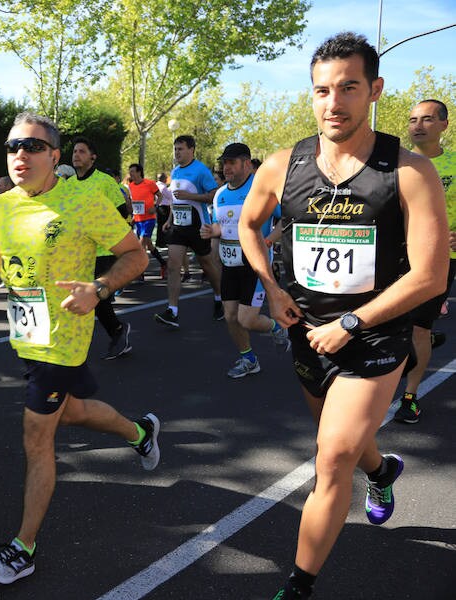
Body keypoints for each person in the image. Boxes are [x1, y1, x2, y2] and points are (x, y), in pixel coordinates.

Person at [238, 32, 448, 599]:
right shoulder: (284, 164)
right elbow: (248, 226)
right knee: (344, 443)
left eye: (349, 88)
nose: (334, 102)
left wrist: (352, 324)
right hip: (306, 333)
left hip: (374, 336)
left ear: (374, 91)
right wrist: (270, 285)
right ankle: (382, 470)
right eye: (322, 90)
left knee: (330, 458)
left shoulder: (408, 172)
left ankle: (298, 587)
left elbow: (429, 275)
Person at [0, 112, 160, 585]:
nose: (21, 155)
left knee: (37, 437)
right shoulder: (7, 204)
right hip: (27, 335)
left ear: (55, 157)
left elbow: (135, 254)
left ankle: (24, 547)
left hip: (62, 342)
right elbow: (0, 250)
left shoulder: (84, 200)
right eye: (14, 145)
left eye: (33, 147)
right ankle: (141, 433)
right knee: (73, 412)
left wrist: (98, 290)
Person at [198, 143, 289, 378]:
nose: (226, 167)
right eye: (224, 163)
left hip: (255, 264)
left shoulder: (259, 190)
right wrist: (213, 231)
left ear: (247, 164)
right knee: (230, 316)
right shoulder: (220, 195)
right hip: (230, 265)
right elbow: (224, 226)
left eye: (231, 162)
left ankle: (278, 327)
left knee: (246, 319)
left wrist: (268, 240)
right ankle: (248, 359)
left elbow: (284, 219)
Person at [397, 99, 455, 423]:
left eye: (427, 119)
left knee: (418, 328)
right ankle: (424, 342)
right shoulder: (395, 165)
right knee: (396, 325)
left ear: (444, 125)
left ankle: (410, 397)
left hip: (438, 261)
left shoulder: (455, 165)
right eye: (413, 119)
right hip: (396, 258)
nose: (418, 125)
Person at [70, 137, 134, 359]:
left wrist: (98, 228)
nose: (76, 154)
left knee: (96, 296)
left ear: (92, 156)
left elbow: (121, 212)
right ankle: (116, 331)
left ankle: (118, 331)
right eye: (74, 151)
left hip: (104, 250)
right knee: (84, 297)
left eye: (82, 151)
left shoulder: (105, 181)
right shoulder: (68, 185)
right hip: (80, 251)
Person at [154, 135, 223, 327]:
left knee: (207, 265)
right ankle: (172, 311)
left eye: (181, 149)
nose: (177, 152)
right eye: (175, 149)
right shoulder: (175, 171)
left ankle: (219, 297)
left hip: (199, 226)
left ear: (192, 150)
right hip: (178, 226)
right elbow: (177, 200)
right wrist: (169, 220)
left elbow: (213, 196)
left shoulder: (201, 170)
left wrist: (191, 195)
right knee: (174, 265)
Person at [127, 163, 167, 279]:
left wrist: (155, 207)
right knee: (149, 245)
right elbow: (135, 202)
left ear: (139, 172)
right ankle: (163, 264)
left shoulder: (149, 183)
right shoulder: (131, 186)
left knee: (141, 243)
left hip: (149, 219)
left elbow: (160, 196)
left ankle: (140, 273)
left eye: (133, 171)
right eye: (130, 172)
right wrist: (133, 217)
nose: (131, 174)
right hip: (138, 219)